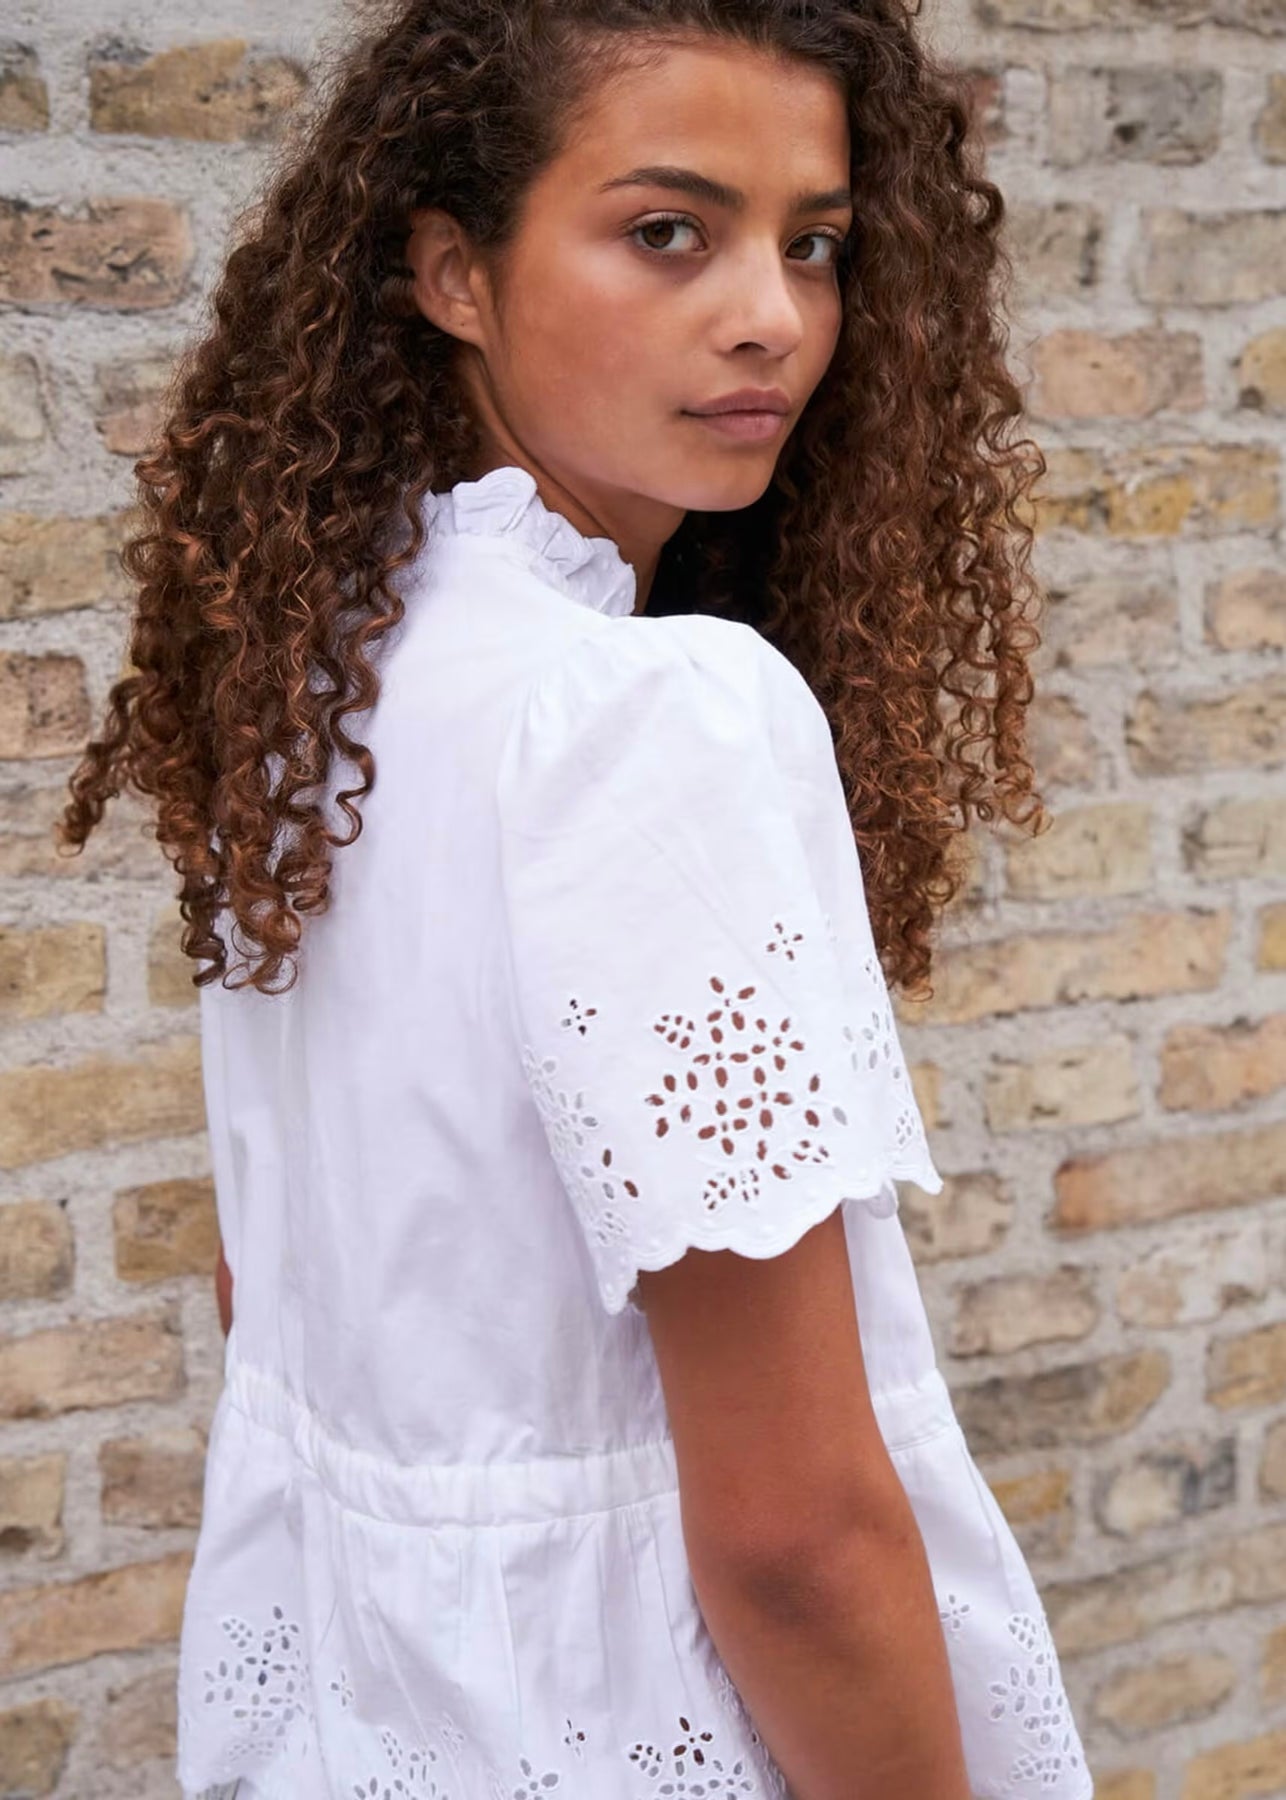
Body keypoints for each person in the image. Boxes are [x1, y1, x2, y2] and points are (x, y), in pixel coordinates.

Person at [57, 2, 1096, 1797]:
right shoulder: (644, 716)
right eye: (667, 231)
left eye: (815, 244)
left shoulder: (322, 675)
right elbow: (792, 1533)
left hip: (349, 1721)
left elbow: (276, 1285)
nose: (771, 315)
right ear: (453, 274)